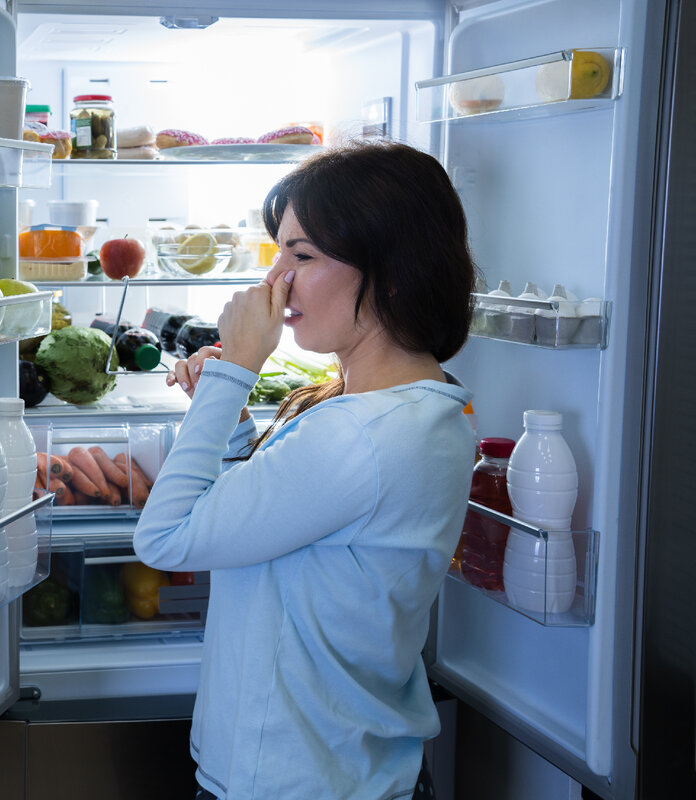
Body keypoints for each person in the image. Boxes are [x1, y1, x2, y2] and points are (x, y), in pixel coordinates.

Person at [133, 139, 477, 800]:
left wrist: (234, 370)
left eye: (303, 255)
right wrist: (228, 418)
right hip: (343, 769)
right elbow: (268, 526)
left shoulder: (359, 434)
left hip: (295, 781)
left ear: (395, 272)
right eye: (279, 252)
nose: (275, 280)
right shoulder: (415, 408)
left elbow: (167, 537)